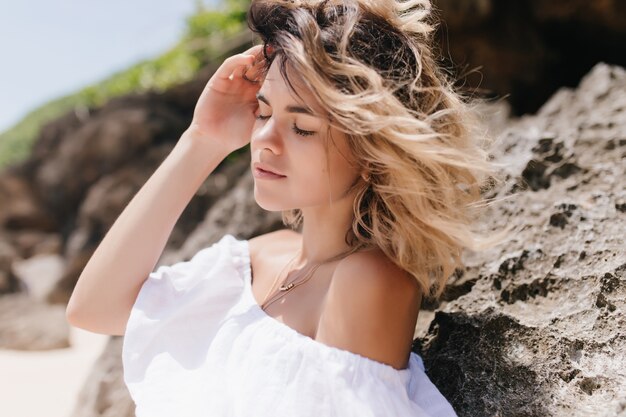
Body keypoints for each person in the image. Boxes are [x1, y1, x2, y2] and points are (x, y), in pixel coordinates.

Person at [67, 0, 510, 415]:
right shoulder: (254, 258)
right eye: (263, 113)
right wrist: (202, 140)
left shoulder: (368, 282)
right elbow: (94, 308)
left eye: (301, 128)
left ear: (373, 148)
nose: (264, 140)